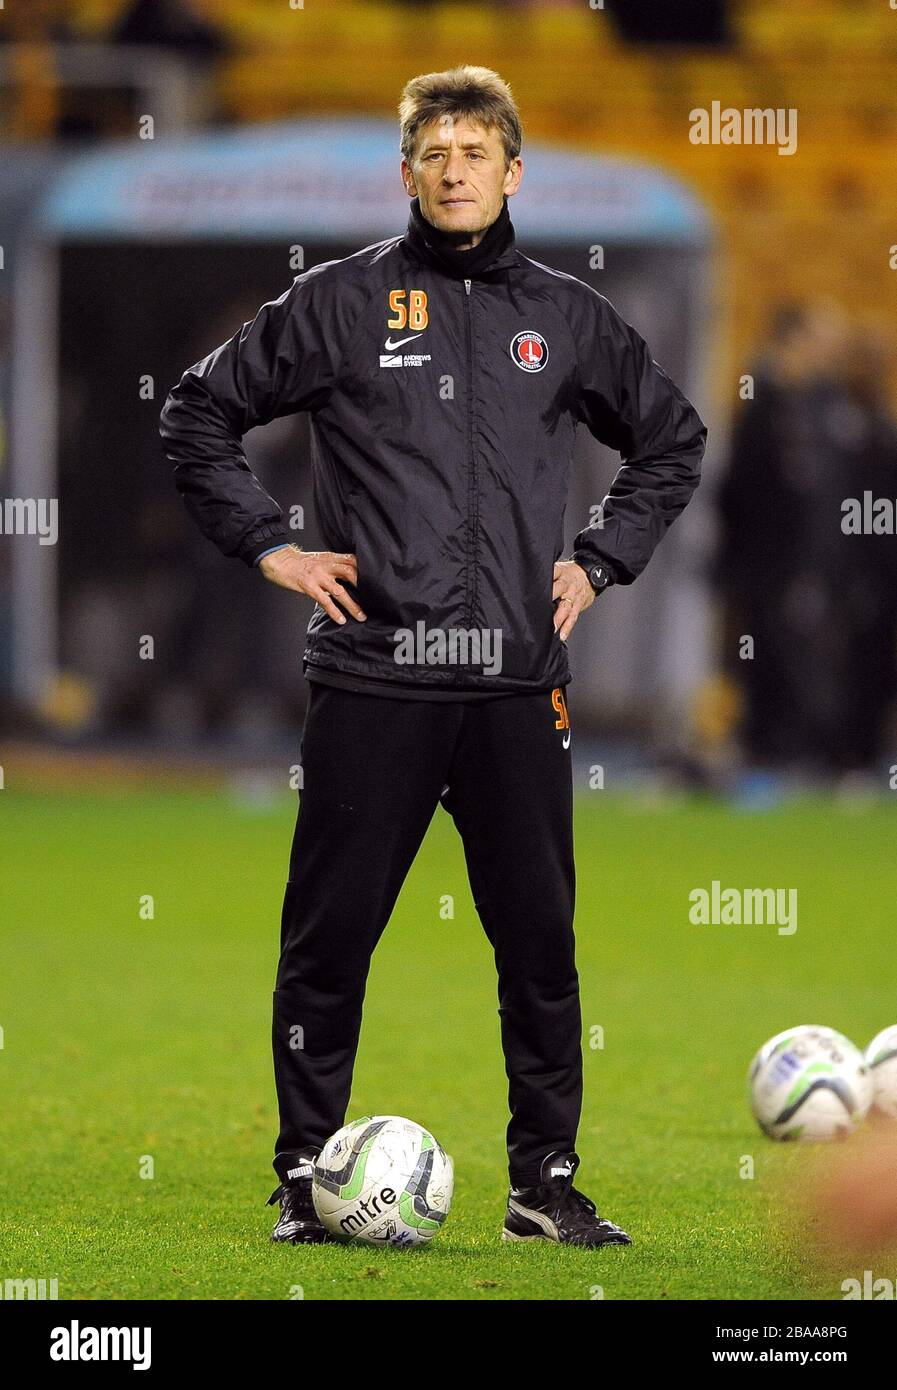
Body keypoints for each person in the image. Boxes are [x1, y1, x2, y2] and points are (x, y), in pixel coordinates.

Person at [160, 65, 705, 1247]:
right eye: (433, 152)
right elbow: (196, 412)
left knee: (540, 946)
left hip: (515, 686)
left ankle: (542, 1186)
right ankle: (306, 1176)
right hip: (373, 680)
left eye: (476, 151)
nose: (454, 170)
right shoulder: (341, 303)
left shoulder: (566, 316)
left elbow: (672, 439)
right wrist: (270, 544)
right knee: (329, 940)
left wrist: (602, 555)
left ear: (515, 171)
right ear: (405, 171)